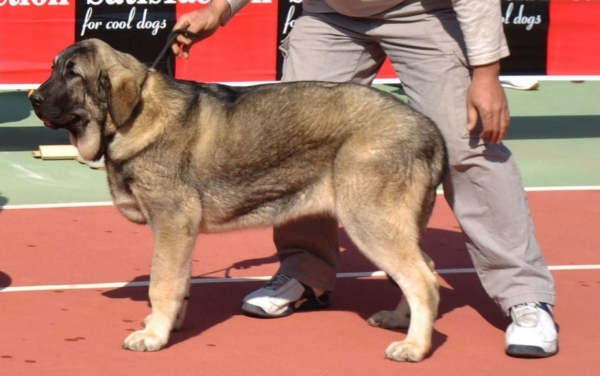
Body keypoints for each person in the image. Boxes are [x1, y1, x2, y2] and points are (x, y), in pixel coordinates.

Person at [172, 0, 558, 358]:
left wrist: (486, 73)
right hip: (330, 14)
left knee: (467, 147)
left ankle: (525, 295)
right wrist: (220, 8)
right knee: (292, 144)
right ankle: (306, 273)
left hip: (422, 11)